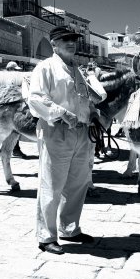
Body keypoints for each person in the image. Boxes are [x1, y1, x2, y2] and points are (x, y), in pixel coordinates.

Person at [28, 25, 98, 255]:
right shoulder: (45, 68)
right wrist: (63, 114)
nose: (71, 42)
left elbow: (83, 99)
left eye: (73, 39)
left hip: (81, 134)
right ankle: (46, 236)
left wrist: (92, 114)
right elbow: (36, 99)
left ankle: (69, 228)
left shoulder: (77, 70)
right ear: (54, 44)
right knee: (51, 184)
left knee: (77, 184)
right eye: (65, 39)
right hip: (56, 132)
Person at [0, 61, 28, 158]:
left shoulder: (11, 79)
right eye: (15, 69)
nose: (16, 71)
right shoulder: (0, 79)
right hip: (2, 109)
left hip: (8, 107)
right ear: (10, 69)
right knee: (0, 132)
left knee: (13, 130)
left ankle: (12, 149)